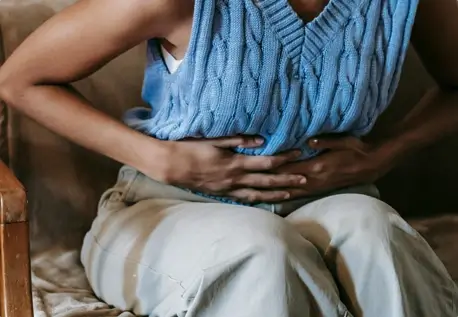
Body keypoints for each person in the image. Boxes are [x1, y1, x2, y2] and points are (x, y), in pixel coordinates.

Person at [0, 0, 457, 316]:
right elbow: (19, 80)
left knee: (377, 231)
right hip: (167, 208)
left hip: (330, 203)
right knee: (262, 250)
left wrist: (385, 154)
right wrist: (159, 158)